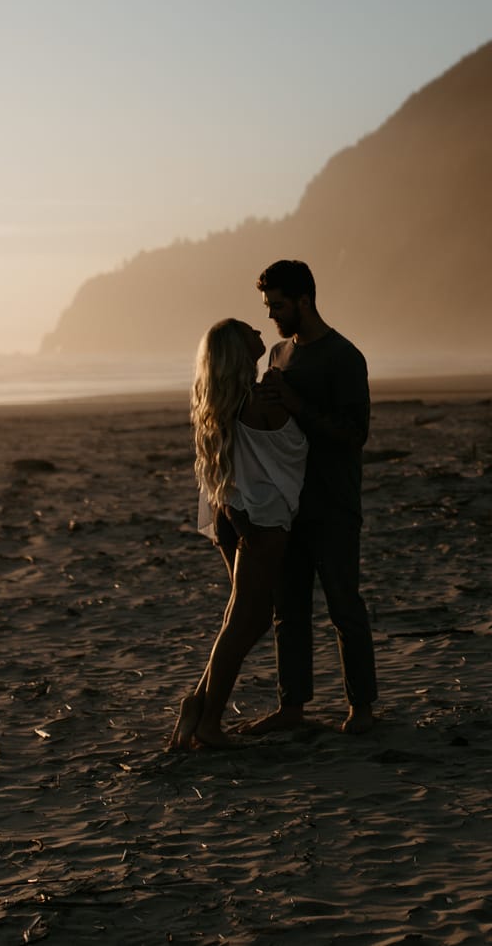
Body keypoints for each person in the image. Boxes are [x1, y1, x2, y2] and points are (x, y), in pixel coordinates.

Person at [243, 259, 378, 735]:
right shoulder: (276, 355)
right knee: (289, 609)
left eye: (278, 305)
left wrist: (299, 406)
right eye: (267, 306)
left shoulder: (345, 357)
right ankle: (292, 708)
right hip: (287, 503)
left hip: (335, 502)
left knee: (344, 605)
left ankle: (361, 710)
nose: (272, 315)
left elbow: (354, 433)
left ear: (304, 300)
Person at [167, 317, 307, 750]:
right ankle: (208, 722)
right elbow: (299, 444)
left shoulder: (216, 404)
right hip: (260, 517)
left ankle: (198, 704)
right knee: (248, 618)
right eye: (252, 333)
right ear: (236, 349)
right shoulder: (263, 398)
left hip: (228, 510)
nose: (262, 336)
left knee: (239, 615)